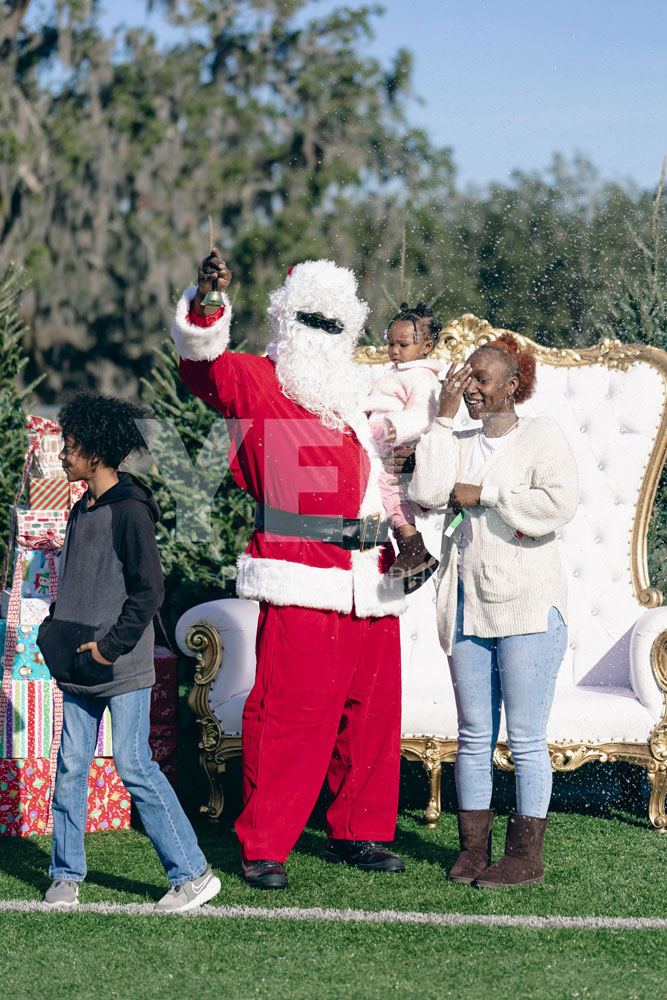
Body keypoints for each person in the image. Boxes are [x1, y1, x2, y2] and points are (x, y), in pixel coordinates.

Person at [171, 251, 407, 890]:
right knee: (288, 717)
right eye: (312, 321)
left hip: (373, 577)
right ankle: (266, 845)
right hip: (301, 573)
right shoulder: (257, 380)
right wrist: (208, 303)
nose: (324, 336)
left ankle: (360, 831)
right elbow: (201, 366)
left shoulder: (358, 396)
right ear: (286, 319)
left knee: (370, 716)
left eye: (336, 325)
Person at [37, 391, 221, 912]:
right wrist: (55, 632)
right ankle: (65, 876)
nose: (63, 453)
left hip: (119, 662)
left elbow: (149, 592)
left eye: (71, 445)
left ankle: (193, 874)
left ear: (96, 451)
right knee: (71, 765)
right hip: (78, 663)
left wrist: (110, 648)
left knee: (133, 763)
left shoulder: (131, 511)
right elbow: (79, 584)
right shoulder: (81, 508)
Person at [408, 334, 579, 888]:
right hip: (466, 605)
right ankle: (473, 851)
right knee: (473, 733)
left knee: (525, 737)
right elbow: (427, 492)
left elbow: (558, 504)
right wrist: (441, 419)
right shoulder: (457, 439)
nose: (471, 389)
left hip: (529, 607)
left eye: (481, 379)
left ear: (513, 385)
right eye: (466, 379)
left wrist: (484, 494)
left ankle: (525, 857)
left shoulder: (542, 435)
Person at [365, 302, 442, 592]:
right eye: (391, 344)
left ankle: (414, 548)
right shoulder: (397, 372)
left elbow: (424, 413)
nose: (395, 351)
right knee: (377, 494)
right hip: (378, 441)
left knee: (390, 492)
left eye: (403, 345)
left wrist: (397, 427)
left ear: (426, 346)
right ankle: (395, 549)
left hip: (398, 443)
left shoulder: (422, 377)